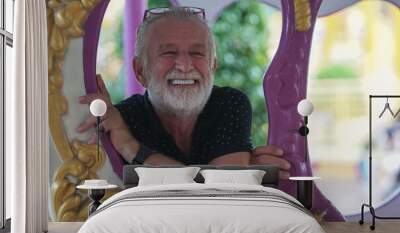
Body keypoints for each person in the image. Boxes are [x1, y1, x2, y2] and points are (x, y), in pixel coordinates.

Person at [77, 7, 291, 179]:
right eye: (169, 53)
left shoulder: (229, 103)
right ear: (140, 71)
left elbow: (222, 190)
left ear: (213, 66)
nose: (185, 65)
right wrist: (241, 172)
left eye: (197, 53)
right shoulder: (121, 118)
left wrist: (130, 147)